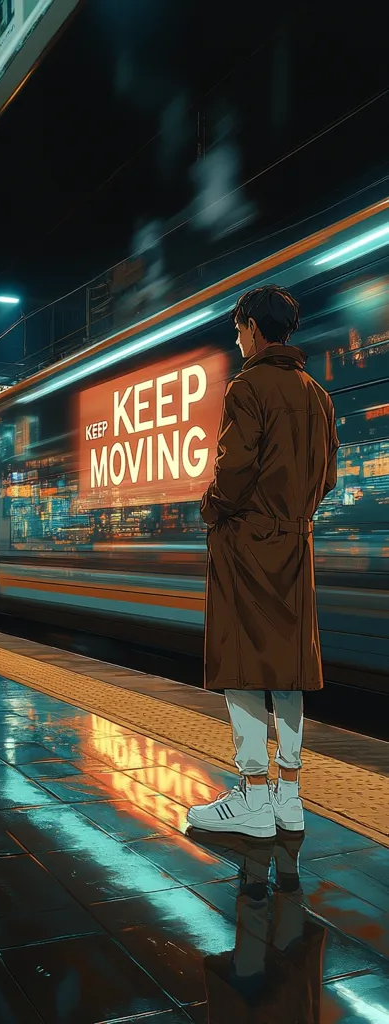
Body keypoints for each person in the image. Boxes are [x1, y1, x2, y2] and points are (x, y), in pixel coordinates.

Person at [186, 285, 339, 839]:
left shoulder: (247, 386)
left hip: (247, 543)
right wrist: (293, 514)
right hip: (295, 542)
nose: (237, 337)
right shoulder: (316, 393)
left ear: (251, 327)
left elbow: (234, 468)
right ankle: (289, 795)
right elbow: (328, 478)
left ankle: (252, 795)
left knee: (245, 668)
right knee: (289, 670)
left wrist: (211, 508)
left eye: (237, 328)